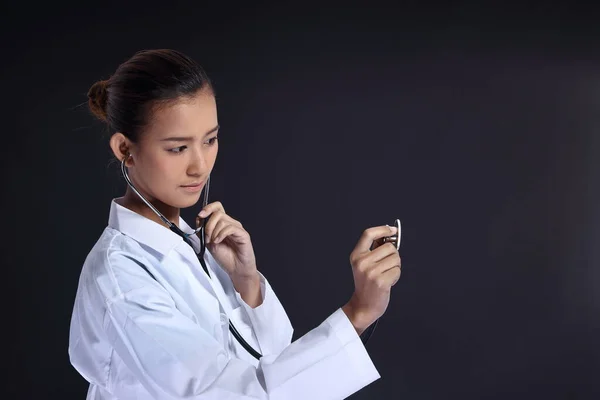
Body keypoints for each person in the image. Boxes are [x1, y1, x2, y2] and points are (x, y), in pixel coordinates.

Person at [68, 49, 402, 400]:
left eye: (209, 140)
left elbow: (273, 365)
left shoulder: (194, 244)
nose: (200, 166)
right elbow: (234, 394)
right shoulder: (120, 277)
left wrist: (247, 285)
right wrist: (358, 313)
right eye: (178, 148)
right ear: (125, 149)